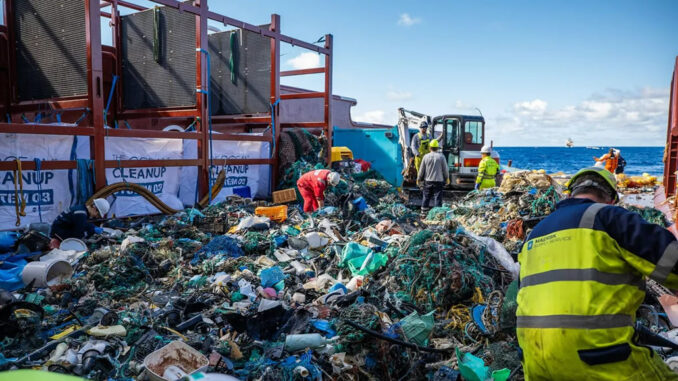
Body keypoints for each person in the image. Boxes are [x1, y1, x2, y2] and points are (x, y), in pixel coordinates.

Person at [517, 167, 678, 380]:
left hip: (534, 360)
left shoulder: (535, 233)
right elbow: (672, 262)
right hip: (601, 358)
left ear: (570, 194)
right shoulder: (610, 218)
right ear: (612, 199)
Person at [417, 139, 449, 214]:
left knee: (426, 197)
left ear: (429, 148)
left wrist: (418, 179)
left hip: (428, 181)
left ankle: (423, 214)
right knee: (437, 198)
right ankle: (437, 215)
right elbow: (445, 170)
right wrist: (447, 178)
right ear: (437, 148)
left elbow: (421, 170)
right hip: (438, 181)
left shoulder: (425, 157)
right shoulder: (441, 157)